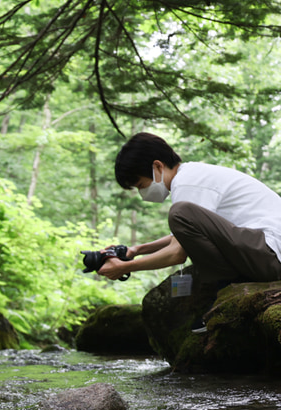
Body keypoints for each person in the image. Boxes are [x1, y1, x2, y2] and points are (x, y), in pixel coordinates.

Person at [98, 132, 281, 331]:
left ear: (158, 166)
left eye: (141, 185)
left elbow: (176, 252)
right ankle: (227, 292)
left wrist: (124, 267)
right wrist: (136, 250)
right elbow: (185, 235)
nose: (142, 193)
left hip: (269, 254)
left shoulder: (187, 182)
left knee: (179, 213)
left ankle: (226, 291)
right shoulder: (192, 176)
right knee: (181, 215)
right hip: (264, 252)